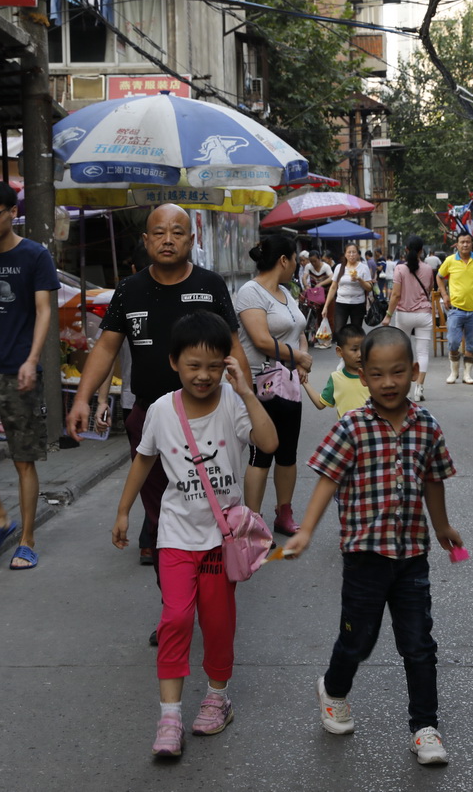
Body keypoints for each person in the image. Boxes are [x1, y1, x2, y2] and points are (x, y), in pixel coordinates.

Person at [285, 326, 463, 766]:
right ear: (363, 376)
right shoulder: (352, 427)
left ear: (414, 372)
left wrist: (441, 526)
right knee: (358, 641)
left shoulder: (427, 426)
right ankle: (334, 688)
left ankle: (425, 727)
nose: (388, 382)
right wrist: (305, 530)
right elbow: (327, 479)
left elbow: (432, 480)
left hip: (411, 556)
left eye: (398, 372)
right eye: (378, 373)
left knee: (419, 643)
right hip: (365, 556)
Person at [67, 205, 247, 640]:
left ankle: (213, 592)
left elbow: (232, 345)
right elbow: (106, 348)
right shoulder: (129, 291)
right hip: (151, 417)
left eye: (178, 232)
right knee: (164, 515)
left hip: (211, 415)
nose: (168, 239)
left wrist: (248, 400)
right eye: (159, 233)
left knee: (212, 504)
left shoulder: (209, 285)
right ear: (146, 241)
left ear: (190, 241)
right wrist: (82, 397)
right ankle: (175, 605)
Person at [111, 312, 278, 758]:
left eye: (212, 365)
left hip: (221, 540)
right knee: (176, 618)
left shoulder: (233, 403)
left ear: (226, 363)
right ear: (173, 363)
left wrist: (246, 391)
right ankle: (169, 717)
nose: (203, 376)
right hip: (176, 536)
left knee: (218, 624)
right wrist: (124, 511)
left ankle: (217, 696)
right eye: (192, 366)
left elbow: (270, 442)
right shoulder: (163, 410)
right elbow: (143, 460)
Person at [0, 180, 60, 570]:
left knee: (22, 460)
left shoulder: (35, 256)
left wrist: (31, 360)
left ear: (11, 213)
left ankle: (27, 539)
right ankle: (0, 517)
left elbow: (44, 312)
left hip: (20, 369)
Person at [235, 234, 313, 536]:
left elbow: (297, 327)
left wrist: (301, 354)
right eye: (294, 259)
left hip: (288, 386)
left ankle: (284, 513)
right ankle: (253, 522)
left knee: (288, 453)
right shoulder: (250, 293)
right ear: (284, 260)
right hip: (260, 385)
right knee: (261, 454)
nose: (296, 265)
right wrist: (300, 357)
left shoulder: (285, 291)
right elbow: (262, 341)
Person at [384, 235, 435, 402]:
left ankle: (404, 387)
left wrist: (387, 316)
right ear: (422, 251)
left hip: (404, 315)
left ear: (405, 249)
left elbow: (396, 295)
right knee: (422, 352)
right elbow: (430, 289)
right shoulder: (428, 269)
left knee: (404, 353)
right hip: (424, 314)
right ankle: (419, 388)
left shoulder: (400, 269)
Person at [438, 233, 473, 385]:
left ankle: (467, 374)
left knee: (472, 344)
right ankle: (454, 372)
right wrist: (444, 295)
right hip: (455, 309)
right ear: (457, 245)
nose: (465, 245)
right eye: (462, 242)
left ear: (471, 244)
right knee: (453, 342)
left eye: (468, 242)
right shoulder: (450, 261)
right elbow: (439, 277)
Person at [303, 325, 370, 416]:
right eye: (354, 349)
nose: (360, 354)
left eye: (363, 349)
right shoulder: (335, 378)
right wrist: (305, 382)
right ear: (339, 351)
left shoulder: (372, 375)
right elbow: (320, 404)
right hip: (346, 429)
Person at [323, 243, 373, 336]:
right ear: (345, 254)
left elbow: (369, 287)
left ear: (358, 254)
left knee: (356, 332)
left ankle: (355, 350)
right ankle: (342, 350)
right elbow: (333, 287)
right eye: (349, 252)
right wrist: (326, 306)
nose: (351, 255)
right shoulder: (339, 267)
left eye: (354, 252)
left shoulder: (363, 268)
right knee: (339, 331)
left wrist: (359, 279)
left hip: (358, 304)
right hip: (341, 303)